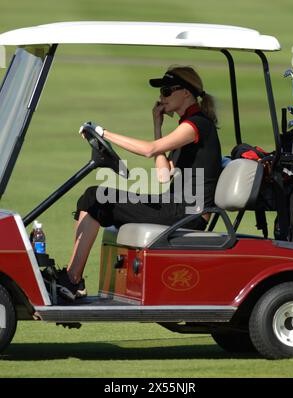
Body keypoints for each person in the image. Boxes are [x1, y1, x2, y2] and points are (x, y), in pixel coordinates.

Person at [57, 65, 222, 300]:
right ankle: (72, 278)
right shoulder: (187, 126)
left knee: (96, 197)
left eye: (166, 91)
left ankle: (72, 280)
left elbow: (149, 150)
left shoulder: (196, 124)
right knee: (92, 196)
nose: (161, 97)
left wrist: (103, 133)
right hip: (176, 206)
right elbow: (164, 175)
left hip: (188, 213)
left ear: (186, 92)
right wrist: (157, 125)